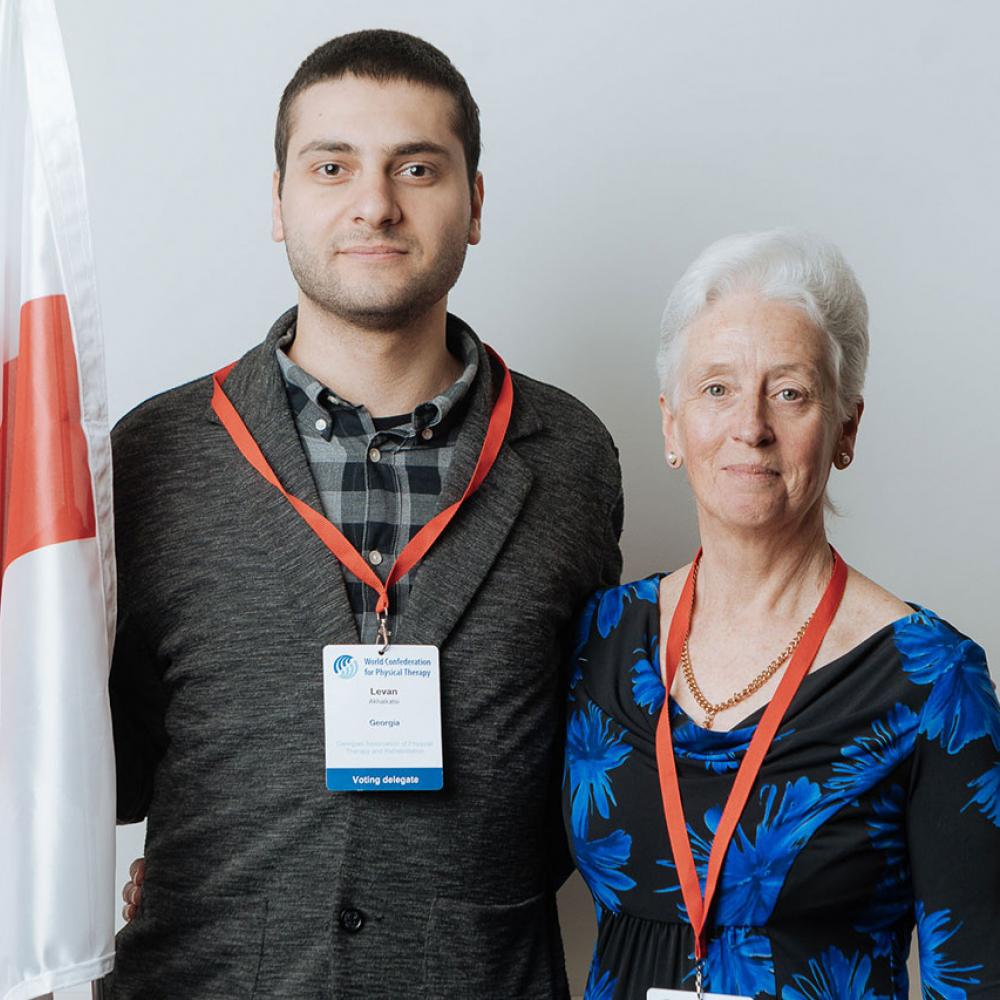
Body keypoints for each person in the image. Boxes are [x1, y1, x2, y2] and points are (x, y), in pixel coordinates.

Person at [105, 29, 622, 999]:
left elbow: (585, 766)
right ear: (278, 201)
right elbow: (111, 767)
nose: (374, 203)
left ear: (475, 204)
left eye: (417, 167)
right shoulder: (156, 453)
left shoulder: (570, 454)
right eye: (331, 165)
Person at [563, 230, 1000, 999]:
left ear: (846, 429)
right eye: (717, 389)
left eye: (790, 391)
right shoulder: (599, 636)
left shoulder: (933, 680)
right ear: (671, 425)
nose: (751, 426)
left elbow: (978, 977)